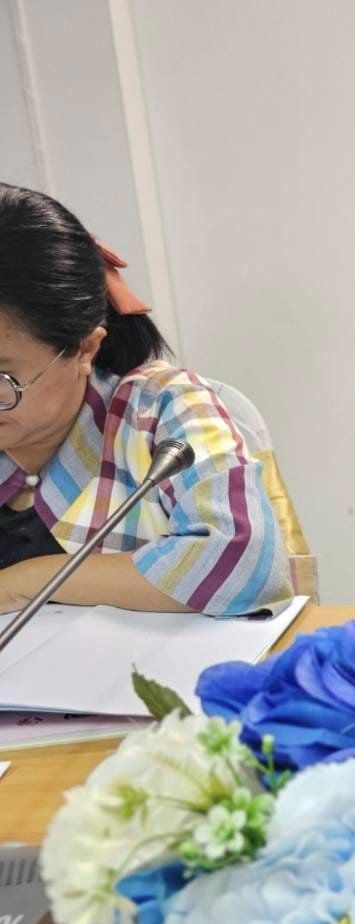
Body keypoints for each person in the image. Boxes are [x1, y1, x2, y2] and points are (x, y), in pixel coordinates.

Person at [0, 184, 291, 615]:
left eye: (4, 377)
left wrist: (24, 581)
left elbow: (244, 564)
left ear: (84, 349)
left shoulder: (161, 410)